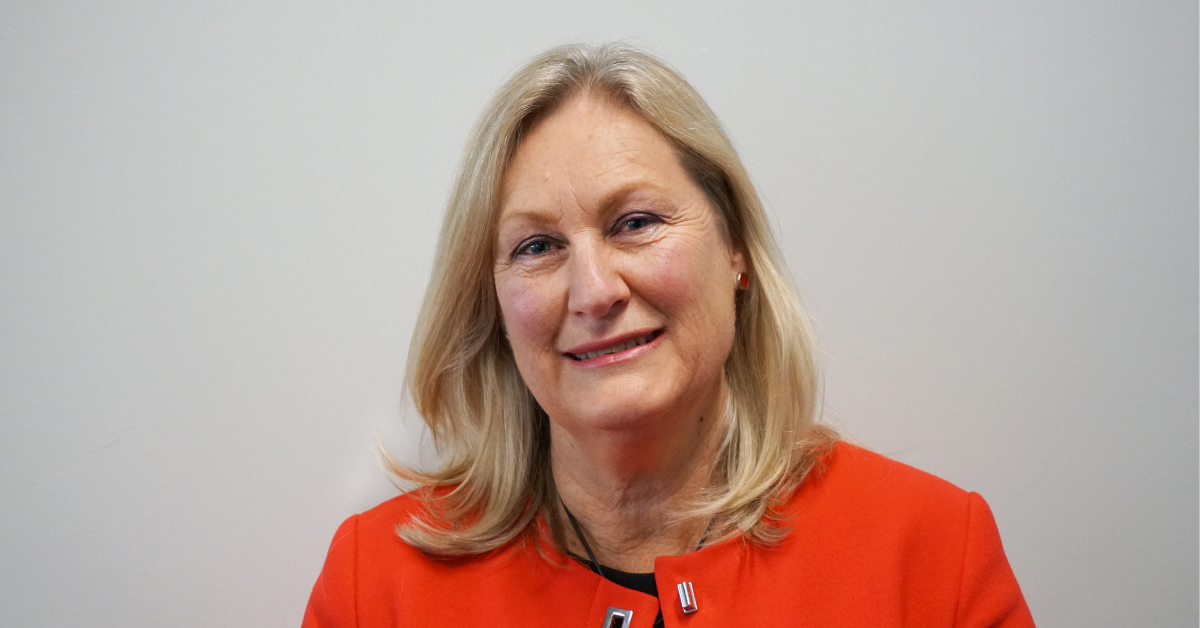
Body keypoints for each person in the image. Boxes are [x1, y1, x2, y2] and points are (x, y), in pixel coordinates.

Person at [302, 43, 1034, 628]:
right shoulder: (378, 585)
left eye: (637, 223)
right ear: (491, 301)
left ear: (736, 250)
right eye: (537, 246)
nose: (593, 292)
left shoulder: (933, 550)